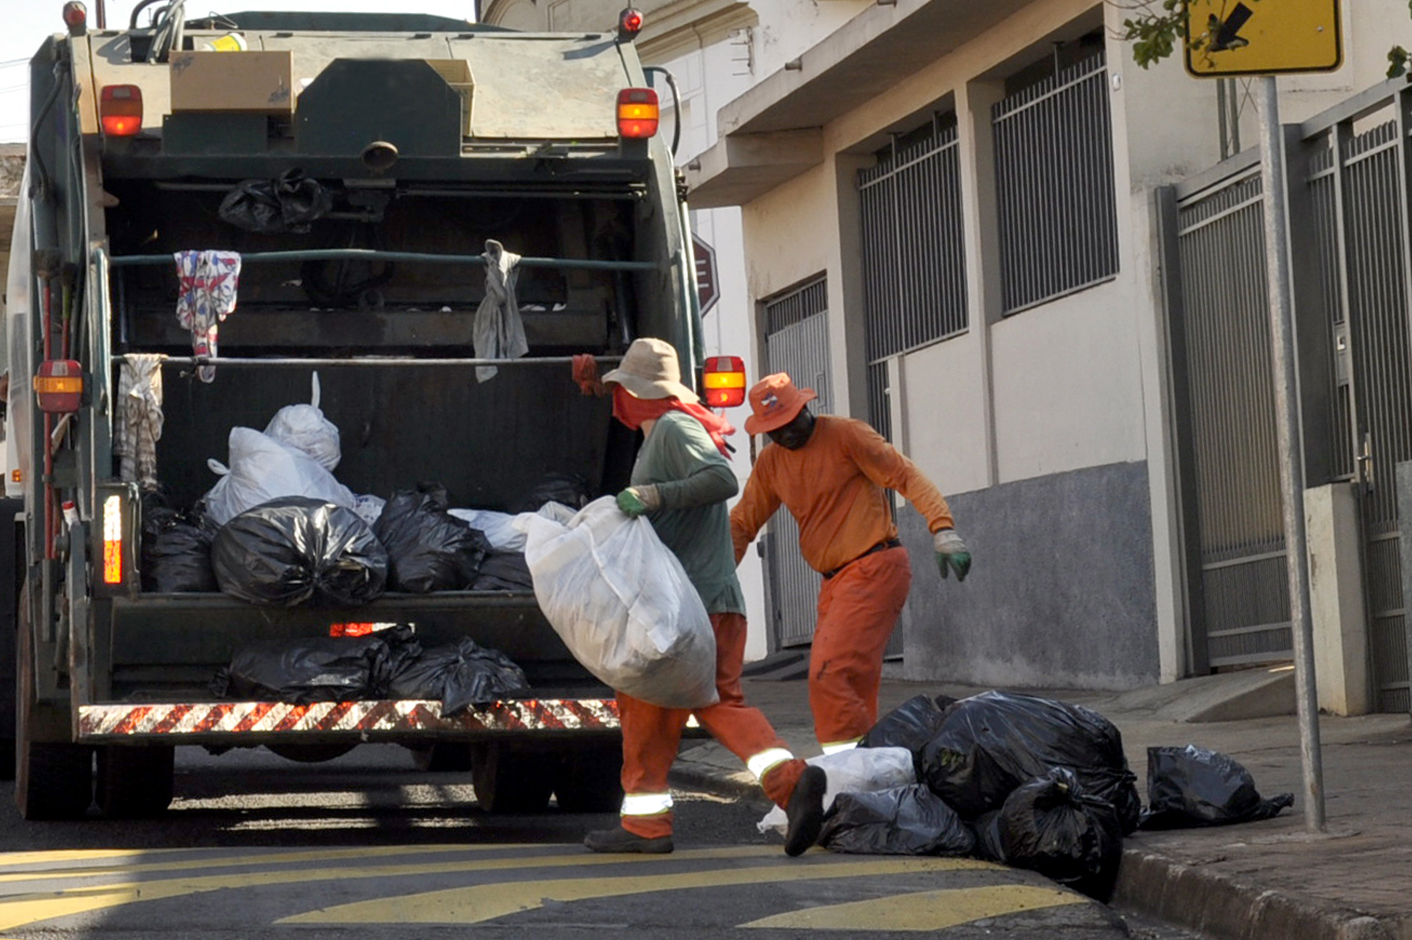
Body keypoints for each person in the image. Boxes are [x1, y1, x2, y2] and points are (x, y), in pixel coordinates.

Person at [581, 338, 826, 857]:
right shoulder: (659, 434)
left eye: (620, 390)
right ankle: (658, 823)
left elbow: (719, 479)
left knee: (666, 704)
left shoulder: (674, 426)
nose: (618, 399)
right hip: (700, 604)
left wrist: (652, 496)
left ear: (636, 392)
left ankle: (782, 782)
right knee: (667, 705)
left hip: (688, 608)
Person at [730, 372, 971, 756]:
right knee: (853, 683)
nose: (786, 434)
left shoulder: (846, 435)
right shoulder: (772, 463)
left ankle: (847, 769)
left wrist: (943, 530)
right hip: (834, 582)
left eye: (790, 423)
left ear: (806, 408)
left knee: (830, 673)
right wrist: (716, 579)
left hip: (874, 565)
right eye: (774, 430)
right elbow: (742, 523)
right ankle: (870, 765)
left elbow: (905, 475)